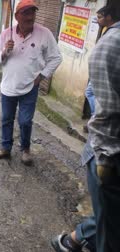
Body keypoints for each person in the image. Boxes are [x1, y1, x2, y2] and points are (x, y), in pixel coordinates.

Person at [51, 4, 120, 252]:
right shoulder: (111, 42)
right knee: (109, 219)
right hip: (110, 151)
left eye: (100, 15)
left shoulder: (110, 40)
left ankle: (77, 239)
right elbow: (108, 109)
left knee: (110, 217)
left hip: (108, 149)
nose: (97, 18)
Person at [0, 0, 62, 165]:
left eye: (32, 12)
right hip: (8, 86)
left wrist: (42, 76)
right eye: (26, 13)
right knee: (7, 119)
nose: (30, 17)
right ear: (17, 16)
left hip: (30, 87)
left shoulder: (44, 33)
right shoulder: (6, 34)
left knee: (25, 121)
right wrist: (5, 52)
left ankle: (25, 149)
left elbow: (56, 57)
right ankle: (5, 148)